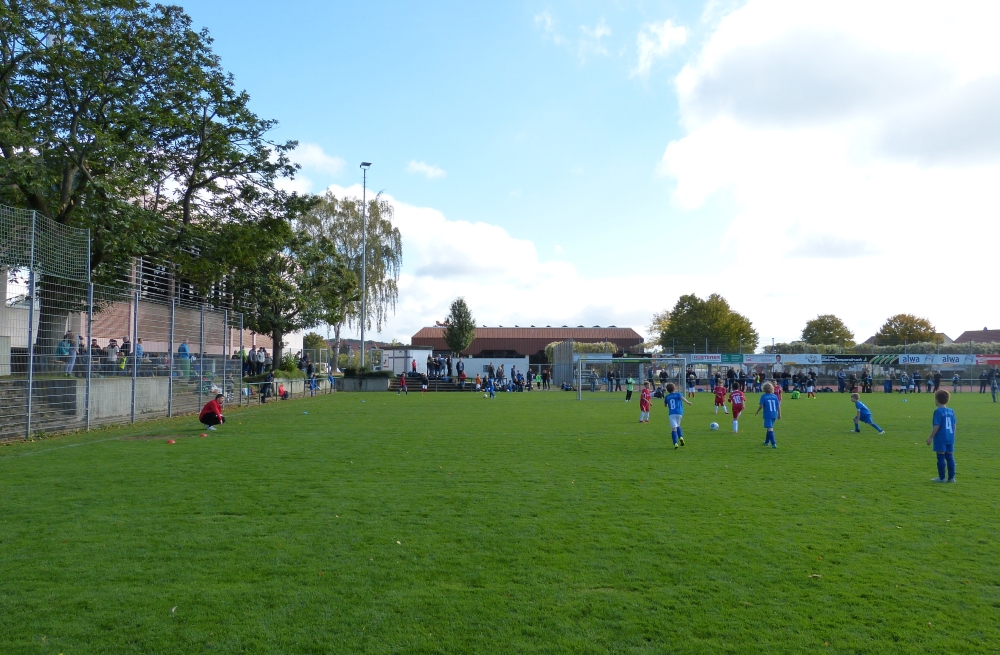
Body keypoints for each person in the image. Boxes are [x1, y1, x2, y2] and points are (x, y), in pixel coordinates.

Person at [926, 389, 956, 483]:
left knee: (941, 457)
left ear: (937, 400)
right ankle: (951, 478)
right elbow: (954, 425)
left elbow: (937, 425)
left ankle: (942, 478)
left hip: (941, 438)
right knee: (950, 457)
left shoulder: (938, 411)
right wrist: (952, 435)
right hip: (950, 437)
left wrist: (930, 437)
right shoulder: (951, 411)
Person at [664, 382, 692, 449]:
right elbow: (682, 398)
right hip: (679, 413)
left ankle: (675, 443)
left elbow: (665, 405)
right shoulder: (678, 394)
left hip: (672, 413)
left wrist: (666, 404)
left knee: (674, 428)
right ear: (674, 388)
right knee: (678, 425)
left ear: (667, 390)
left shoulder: (667, 397)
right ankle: (681, 437)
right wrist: (688, 402)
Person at [755, 382, 781, 449]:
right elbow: (778, 406)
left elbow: (761, 405)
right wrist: (779, 414)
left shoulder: (763, 396)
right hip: (774, 414)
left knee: (770, 428)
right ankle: (766, 442)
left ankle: (773, 443)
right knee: (769, 427)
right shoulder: (775, 396)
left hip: (767, 414)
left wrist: (757, 411)